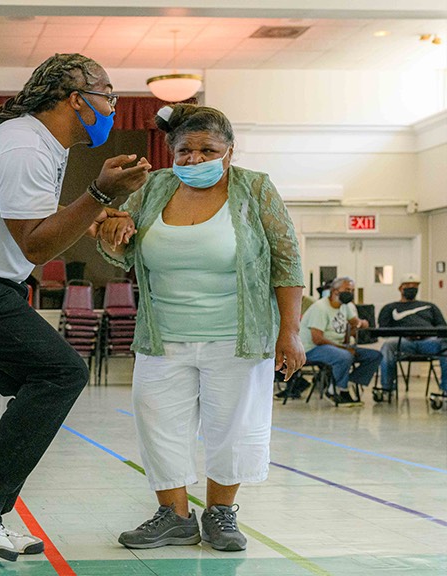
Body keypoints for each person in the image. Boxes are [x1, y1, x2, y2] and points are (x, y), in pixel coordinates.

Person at [0, 53, 150, 561]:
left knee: (37, 387)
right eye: (106, 92)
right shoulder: (24, 146)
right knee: (61, 374)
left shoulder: (40, 140)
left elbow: (30, 221)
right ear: (75, 99)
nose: (112, 104)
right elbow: (37, 246)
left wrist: (92, 212)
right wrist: (99, 190)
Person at [96, 104, 306, 552]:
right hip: (162, 336)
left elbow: (287, 261)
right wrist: (110, 232)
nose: (194, 158)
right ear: (170, 151)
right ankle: (173, 517)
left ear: (229, 151)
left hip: (238, 336)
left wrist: (290, 331)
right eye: (185, 150)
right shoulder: (153, 188)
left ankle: (221, 515)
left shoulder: (254, 189)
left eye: (207, 149)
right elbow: (120, 250)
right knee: (158, 422)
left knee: (233, 425)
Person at [300, 276, 382, 405]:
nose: (350, 293)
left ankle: (349, 382)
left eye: (352, 290)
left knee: (374, 355)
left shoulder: (345, 306)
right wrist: (344, 348)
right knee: (345, 355)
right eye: (347, 290)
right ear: (335, 291)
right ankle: (336, 391)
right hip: (312, 349)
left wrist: (362, 323)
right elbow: (317, 339)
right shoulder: (320, 308)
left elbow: (356, 322)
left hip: (337, 347)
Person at [377, 273, 447, 395]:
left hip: (429, 342)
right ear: (400, 288)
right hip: (402, 342)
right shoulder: (390, 308)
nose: (411, 288)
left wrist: (428, 334)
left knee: (445, 345)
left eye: (414, 286)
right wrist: (403, 334)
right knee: (388, 346)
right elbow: (383, 330)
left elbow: (442, 327)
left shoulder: (429, 307)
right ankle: (387, 388)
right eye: (407, 286)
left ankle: (445, 389)